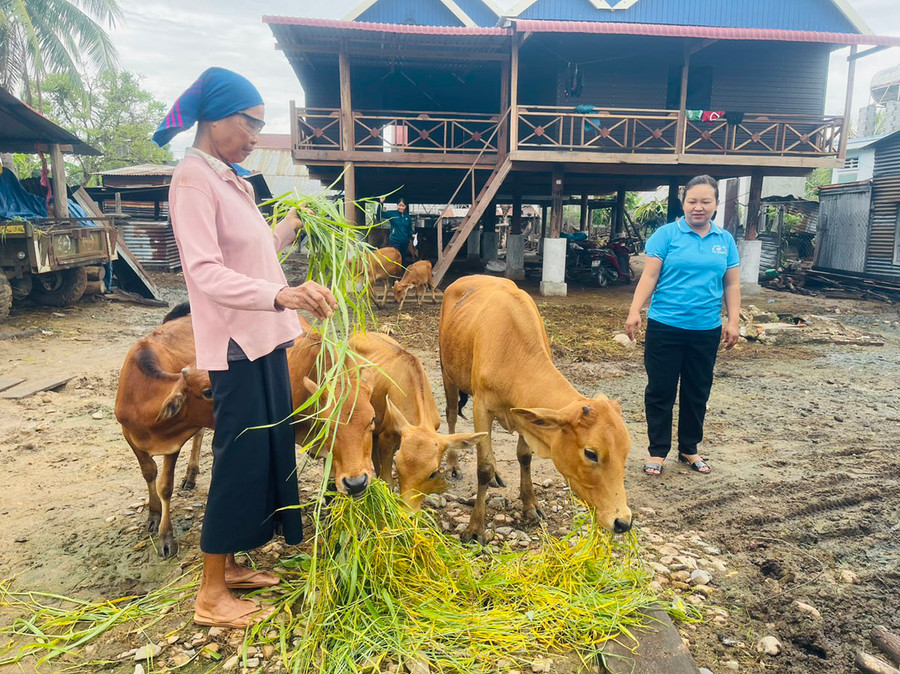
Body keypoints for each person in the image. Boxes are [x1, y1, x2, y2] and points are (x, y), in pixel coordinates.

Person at [153, 67, 338, 628]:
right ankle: (210, 595)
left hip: (262, 339)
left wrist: (291, 226)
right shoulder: (192, 179)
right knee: (238, 457)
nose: (257, 136)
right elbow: (206, 272)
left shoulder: (230, 178)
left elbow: (252, 253)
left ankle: (230, 565)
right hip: (234, 344)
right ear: (215, 119)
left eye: (261, 125)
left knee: (261, 452)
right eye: (249, 123)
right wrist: (283, 294)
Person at [625, 175, 741, 477]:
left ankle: (690, 449)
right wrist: (635, 310)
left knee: (697, 391)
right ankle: (657, 451)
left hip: (705, 329)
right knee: (661, 390)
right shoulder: (666, 235)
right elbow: (649, 277)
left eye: (705, 202)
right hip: (666, 326)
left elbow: (731, 283)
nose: (698, 207)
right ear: (683, 203)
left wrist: (734, 320)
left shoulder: (724, 240)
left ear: (716, 204)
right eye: (692, 201)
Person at [378, 195, 415, 265]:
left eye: (403, 206)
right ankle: (393, 274)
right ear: (397, 205)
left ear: (405, 206)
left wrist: (413, 234)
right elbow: (381, 214)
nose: (401, 207)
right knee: (394, 259)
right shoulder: (392, 214)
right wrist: (381, 203)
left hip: (404, 242)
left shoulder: (408, 217)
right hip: (394, 241)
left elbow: (409, 229)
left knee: (402, 259)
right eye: (399, 205)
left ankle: (401, 273)